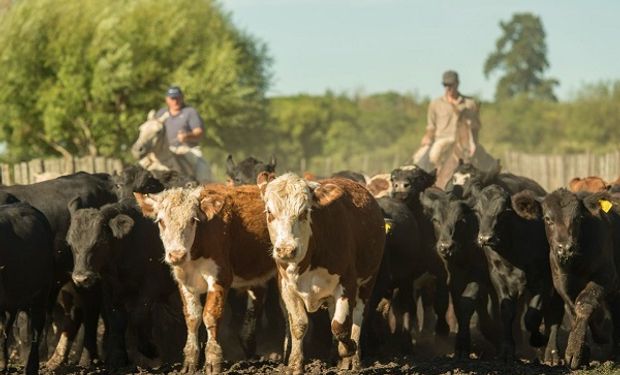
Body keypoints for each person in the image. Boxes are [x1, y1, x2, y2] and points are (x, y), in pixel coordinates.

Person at [415, 70, 481, 169]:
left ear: (457, 84)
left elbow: (476, 127)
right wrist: (427, 137)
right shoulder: (436, 104)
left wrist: (474, 143)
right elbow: (431, 126)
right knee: (425, 158)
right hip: (443, 140)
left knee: (485, 166)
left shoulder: (469, 103)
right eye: (445, 85)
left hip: (465, 142)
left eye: (451, 85)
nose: (448, 88)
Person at [155, 86, 212, 182]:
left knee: (202, 167)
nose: (175, 101)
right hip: (166, 151)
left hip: (187, 149)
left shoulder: (190, 112)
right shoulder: (161, 113)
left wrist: (187, 136)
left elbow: (199, 132)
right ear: (167, 99)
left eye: (177, 98)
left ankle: (206, 187)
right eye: (173, 98)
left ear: (182, 98)